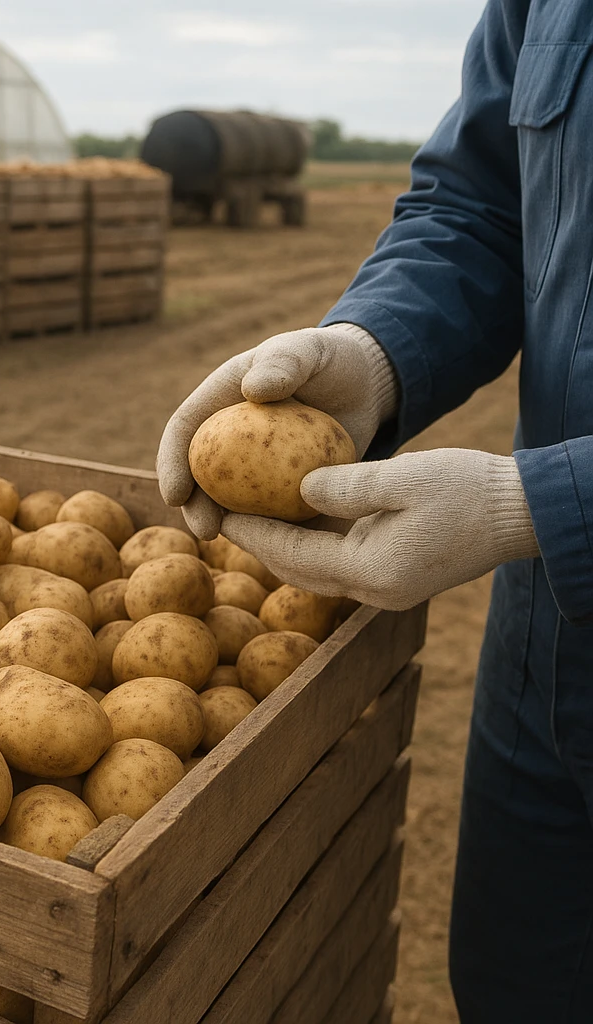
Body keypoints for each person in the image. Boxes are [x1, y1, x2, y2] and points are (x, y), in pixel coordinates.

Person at [156, 2, 593, 1021]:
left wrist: (546, 504)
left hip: (543, 536)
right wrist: (375, 351)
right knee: (511, 987)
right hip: (550, 651)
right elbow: (481, 204)